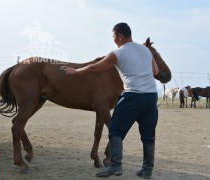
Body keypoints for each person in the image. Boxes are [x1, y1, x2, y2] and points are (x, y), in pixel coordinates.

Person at [61, 22, 159, 179]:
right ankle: (147, 170)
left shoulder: (117, 53)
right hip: (151, 96)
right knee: (148, 134)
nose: (113, 39)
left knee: (115, 129)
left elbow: (94, 68)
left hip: (133, 95)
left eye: (113, 36)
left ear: (119, 36)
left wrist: (75, 71)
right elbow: (156, 71)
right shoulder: (146, 50)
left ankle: (115, 166)